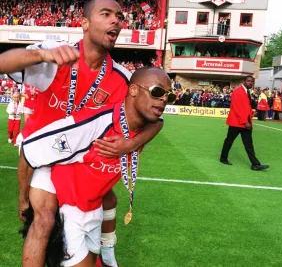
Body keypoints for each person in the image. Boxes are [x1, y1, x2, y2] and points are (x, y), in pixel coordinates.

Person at [0, 0, 163, 267]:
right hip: (43, 155)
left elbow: (156, 120)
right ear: (84, 23)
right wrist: (41, 55)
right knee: (45, 218)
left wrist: (131, 145)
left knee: (98, 207)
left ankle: (105, 252)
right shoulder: (57, 53)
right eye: (106, 14)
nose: (116, 20)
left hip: (79, 160)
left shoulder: (121, 78)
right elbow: (4, 63)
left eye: (120, 17)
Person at [21, 68, 174, 267]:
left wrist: (130, 144)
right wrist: (23, 198)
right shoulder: (92, 126)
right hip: (69, 211)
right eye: (157, 92)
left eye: (169, 96)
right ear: (134, 90)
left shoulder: (144, 125)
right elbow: (30, 149)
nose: (163, 99)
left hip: (94, 210)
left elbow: (159, 123)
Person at [220, 76, 269, 171]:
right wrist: (245, 121)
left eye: (252, 81)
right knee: (229, 141)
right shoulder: (238, 91)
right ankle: (223, 158)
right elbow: (237, 108)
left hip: (243, 122)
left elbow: (244, 107)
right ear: (244, 81)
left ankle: (255, 164)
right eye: (248, 81)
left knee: (248, 144)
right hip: (237, 123)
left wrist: (251, 113)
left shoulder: (246, 91)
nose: (250, 83)